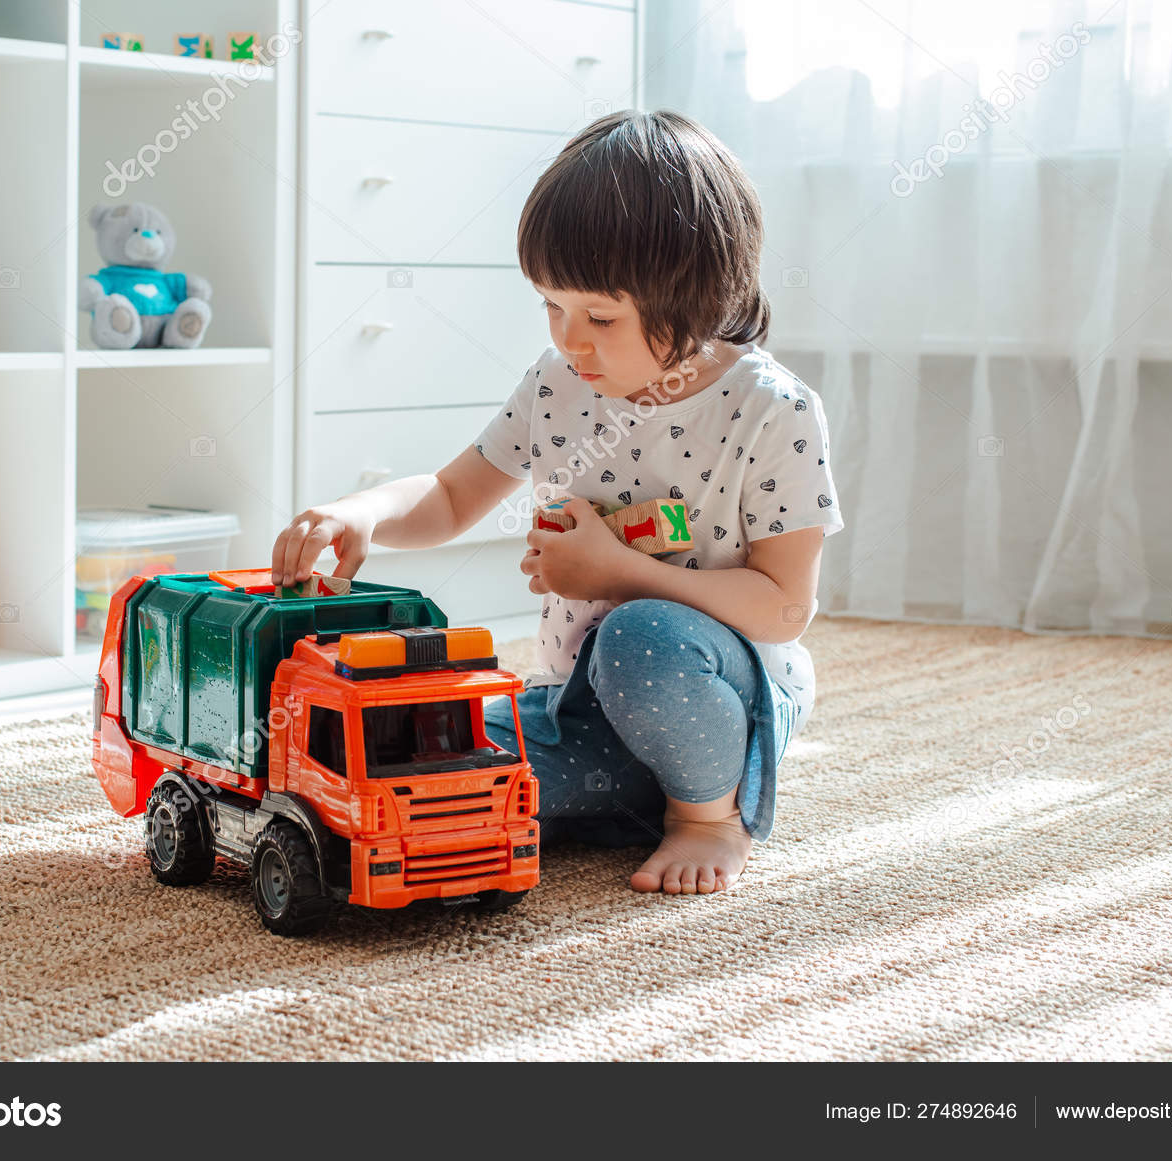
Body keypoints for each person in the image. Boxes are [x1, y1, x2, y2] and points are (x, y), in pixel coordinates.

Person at [270, 110, 845, 895]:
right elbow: (448, 496)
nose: (571, 340)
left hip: (720, 694)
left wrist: (617, 573)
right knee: (441, 764)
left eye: (601, 317)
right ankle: (634, 795)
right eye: (552, 306)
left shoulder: (773, 409)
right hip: (579, 707)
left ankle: (709, 815)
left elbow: (783, 610)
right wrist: (362, 511)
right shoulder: (559, 382)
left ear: (696, 294)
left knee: (641, 637)